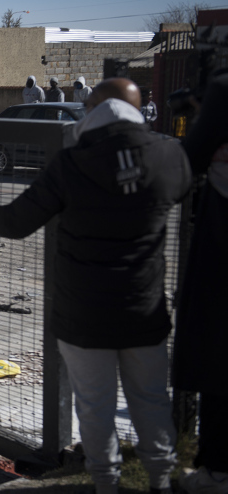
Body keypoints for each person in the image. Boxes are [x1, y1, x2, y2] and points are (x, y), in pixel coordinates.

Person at [0, 78, 190, 494]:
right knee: (151, 400)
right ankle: (162, 481)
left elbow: (17, 223)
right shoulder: (168, 155)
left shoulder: (71, 163)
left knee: (94, 407)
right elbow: (180, 191)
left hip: (83, 314)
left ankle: (106, 484)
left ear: (93, 111)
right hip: (144, 308)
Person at [173, 70, 228, 494]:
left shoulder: (223, 93)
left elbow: (185, 165)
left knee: (217, 354)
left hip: (221, 245)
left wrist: (205, 115)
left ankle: (218, 471)